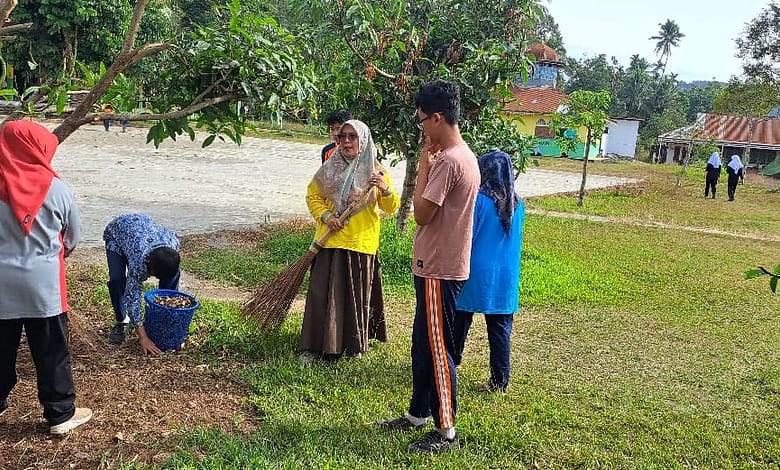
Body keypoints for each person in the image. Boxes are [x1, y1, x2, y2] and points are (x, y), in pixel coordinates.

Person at [377, 79, 480, 454]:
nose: (421, 128)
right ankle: (417, 414)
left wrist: (423, 163)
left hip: (439, 269)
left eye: (421, 120)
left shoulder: (449, 161)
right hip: (436, 266)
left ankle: (446, 430)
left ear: (437, 118)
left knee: (438, 349)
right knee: (423, 345)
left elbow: (421, 214)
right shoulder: (464, 156)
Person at [0, 120, 92, 435]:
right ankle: (60, 413)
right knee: (52, 350)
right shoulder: (57, 189)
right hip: (44, 286)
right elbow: (73, 238)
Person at [300, 119, 400, 362]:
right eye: (342, 136)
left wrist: (385, 189)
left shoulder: (377, 172)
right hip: (329, 242)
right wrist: (327, 216)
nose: (346, 141)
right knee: (322, 295)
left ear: (363, 140)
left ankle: (353, 346)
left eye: (352, 136)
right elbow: (313, 196)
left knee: (355, 299)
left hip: (360, 244)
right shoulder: (329, 169)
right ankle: (313, 346)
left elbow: (392, 207)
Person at [452, 150, 525, 394]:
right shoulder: (518, 204)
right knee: (500, 329)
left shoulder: (478, 201)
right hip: (506, 275)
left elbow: (466, 236)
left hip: (475, 271)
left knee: (460, 317)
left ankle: (452, 362)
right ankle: (499, 382)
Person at [103, 213, 181, 355]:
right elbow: (133, 297)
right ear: (148, 263)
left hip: (142, 226)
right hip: (117, 233)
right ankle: (122, 321)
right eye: (153, 274)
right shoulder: (139, 260)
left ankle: (164, 320)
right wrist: (143, 337)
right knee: (117, 280)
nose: (151, 277)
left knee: (172, 276)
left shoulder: (173, 243)